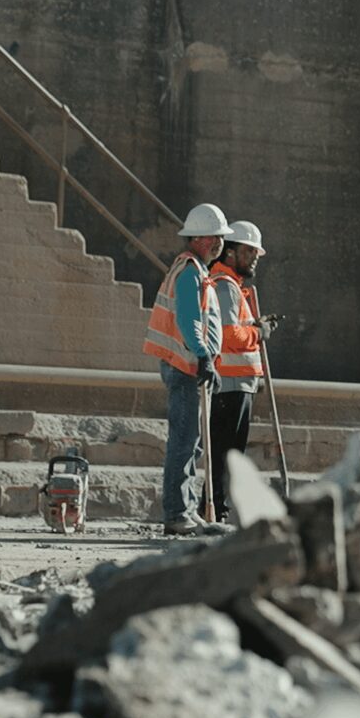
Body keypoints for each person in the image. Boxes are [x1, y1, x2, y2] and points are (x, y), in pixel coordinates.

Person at [143, 203, 230, 535]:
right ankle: (177, 513)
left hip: (185, 365)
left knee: (190, 442)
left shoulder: (193, 270)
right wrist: (204, 356)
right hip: (184, 366)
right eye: (220, 238)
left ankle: (186, 510)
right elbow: (190, 319)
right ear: (208, 240)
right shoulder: (191, 271)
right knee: (183, 441)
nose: (222, 244)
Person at [204, 219, 268, 522]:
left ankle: (216, 507)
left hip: (236, 384)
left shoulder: (230, 286)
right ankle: (216, 508)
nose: (254, 257)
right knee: (225, 453)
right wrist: (260, 333)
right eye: (249, 250)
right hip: (230, 386)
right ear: (230, 252)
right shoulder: (226, 287)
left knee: (225, 453)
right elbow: (231, 336)